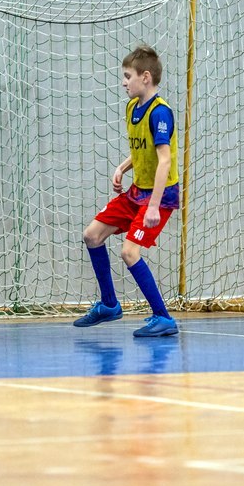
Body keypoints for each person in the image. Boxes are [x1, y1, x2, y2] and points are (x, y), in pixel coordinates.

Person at [73, 44, 181, 337]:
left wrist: (154, 206)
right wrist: (122, 167)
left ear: (145, 77)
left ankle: (163, 318)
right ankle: (109, 304)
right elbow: (142, 150)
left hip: (159, 196)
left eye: (127, 76)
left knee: (129, 252)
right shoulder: (132, 107)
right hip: (137, 192)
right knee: (92, 235)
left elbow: (164, 160)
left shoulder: (160, 113)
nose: (123, 82)